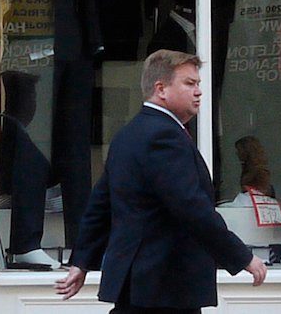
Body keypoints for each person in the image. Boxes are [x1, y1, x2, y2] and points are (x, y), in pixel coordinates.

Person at [55, 49, 267, 313]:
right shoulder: (163, 137)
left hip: (143, 286)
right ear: (161, 89)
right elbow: (191, 207)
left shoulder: (129, 134)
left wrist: (82, 261)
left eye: (198, 84)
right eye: (189, 83)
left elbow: (100, 205)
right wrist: (241, 256)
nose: (199, 91)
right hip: (164, 286)